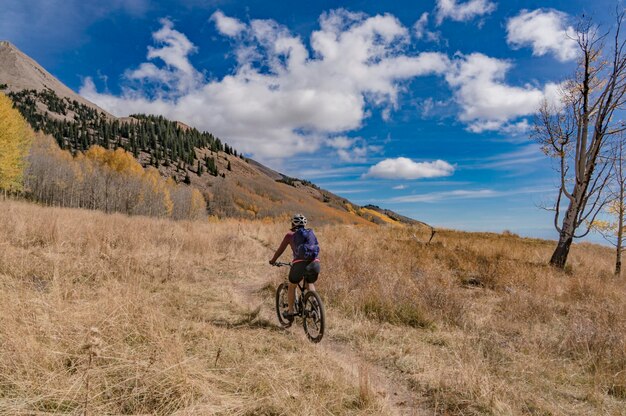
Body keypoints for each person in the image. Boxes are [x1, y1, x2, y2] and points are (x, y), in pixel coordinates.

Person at [269, 213, 320, 321]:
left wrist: (273, 261)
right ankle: (316, 307)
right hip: (315, 264)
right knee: (309, 283)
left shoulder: (290, 235)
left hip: (299, 264)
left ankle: (291, 311)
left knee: (292, 285)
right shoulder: (311, 234)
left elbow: (280, 250)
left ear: (293, 223)